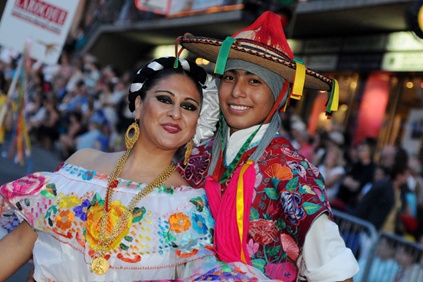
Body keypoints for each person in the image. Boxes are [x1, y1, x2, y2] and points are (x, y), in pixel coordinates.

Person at [0, 57, 266, 281]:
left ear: (198, 122)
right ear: (138, 106)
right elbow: (23, 241)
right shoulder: (81, 163)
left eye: (188, 106)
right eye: (164, 99)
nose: (176, 113)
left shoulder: (191, 206)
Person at [176, 10, 359, 281]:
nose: (237, 91)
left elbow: (336, 273)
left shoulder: (293, 172)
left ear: (277, 96)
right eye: (230, 77)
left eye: (254, 81)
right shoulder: (199, 154)